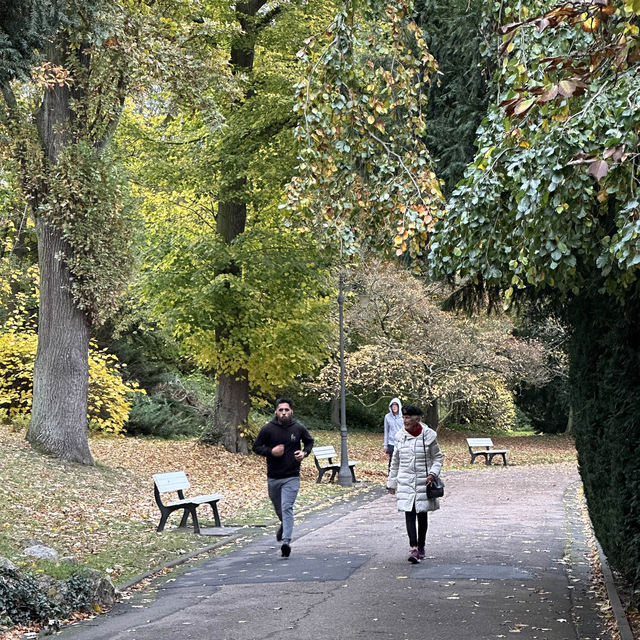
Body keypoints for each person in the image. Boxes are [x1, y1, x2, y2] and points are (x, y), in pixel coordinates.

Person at [253, 397, 314, 557]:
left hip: (292, 476)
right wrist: (271, 452)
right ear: (276, 412)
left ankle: (286, 542)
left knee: (287, 507)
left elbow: (309, 442)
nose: (284, 413)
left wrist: (304, 453)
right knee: (279, 508)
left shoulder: (298, 428)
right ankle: (284, 525)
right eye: (281, 410)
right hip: (273, 477)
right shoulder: (268, 429)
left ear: (291, 411)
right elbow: (256, 447)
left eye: (287, 410)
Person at [387, 405, 444, 564]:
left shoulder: (429, 436)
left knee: (422, 514)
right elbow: (395, 461)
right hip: (405, 480)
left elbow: (438, 458)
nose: (405, 420)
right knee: (409, 513)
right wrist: (391, 482)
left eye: (408, 418)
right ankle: (413, 548)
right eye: (403, 418)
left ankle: (421, 546)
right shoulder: (399, 436)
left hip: (423, 480)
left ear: (417, 419)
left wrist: (433, 473)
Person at [383, 397, 403, 471]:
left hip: (401, 442)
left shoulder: (403, 417)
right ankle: (390, 478)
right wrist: (385, 445)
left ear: (399, 406)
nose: (394, 407)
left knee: (401, 461)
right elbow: (386, 431)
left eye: (396, 405)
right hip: (391, 443)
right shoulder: (387, 417)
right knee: (392, 462)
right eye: (393, 405)